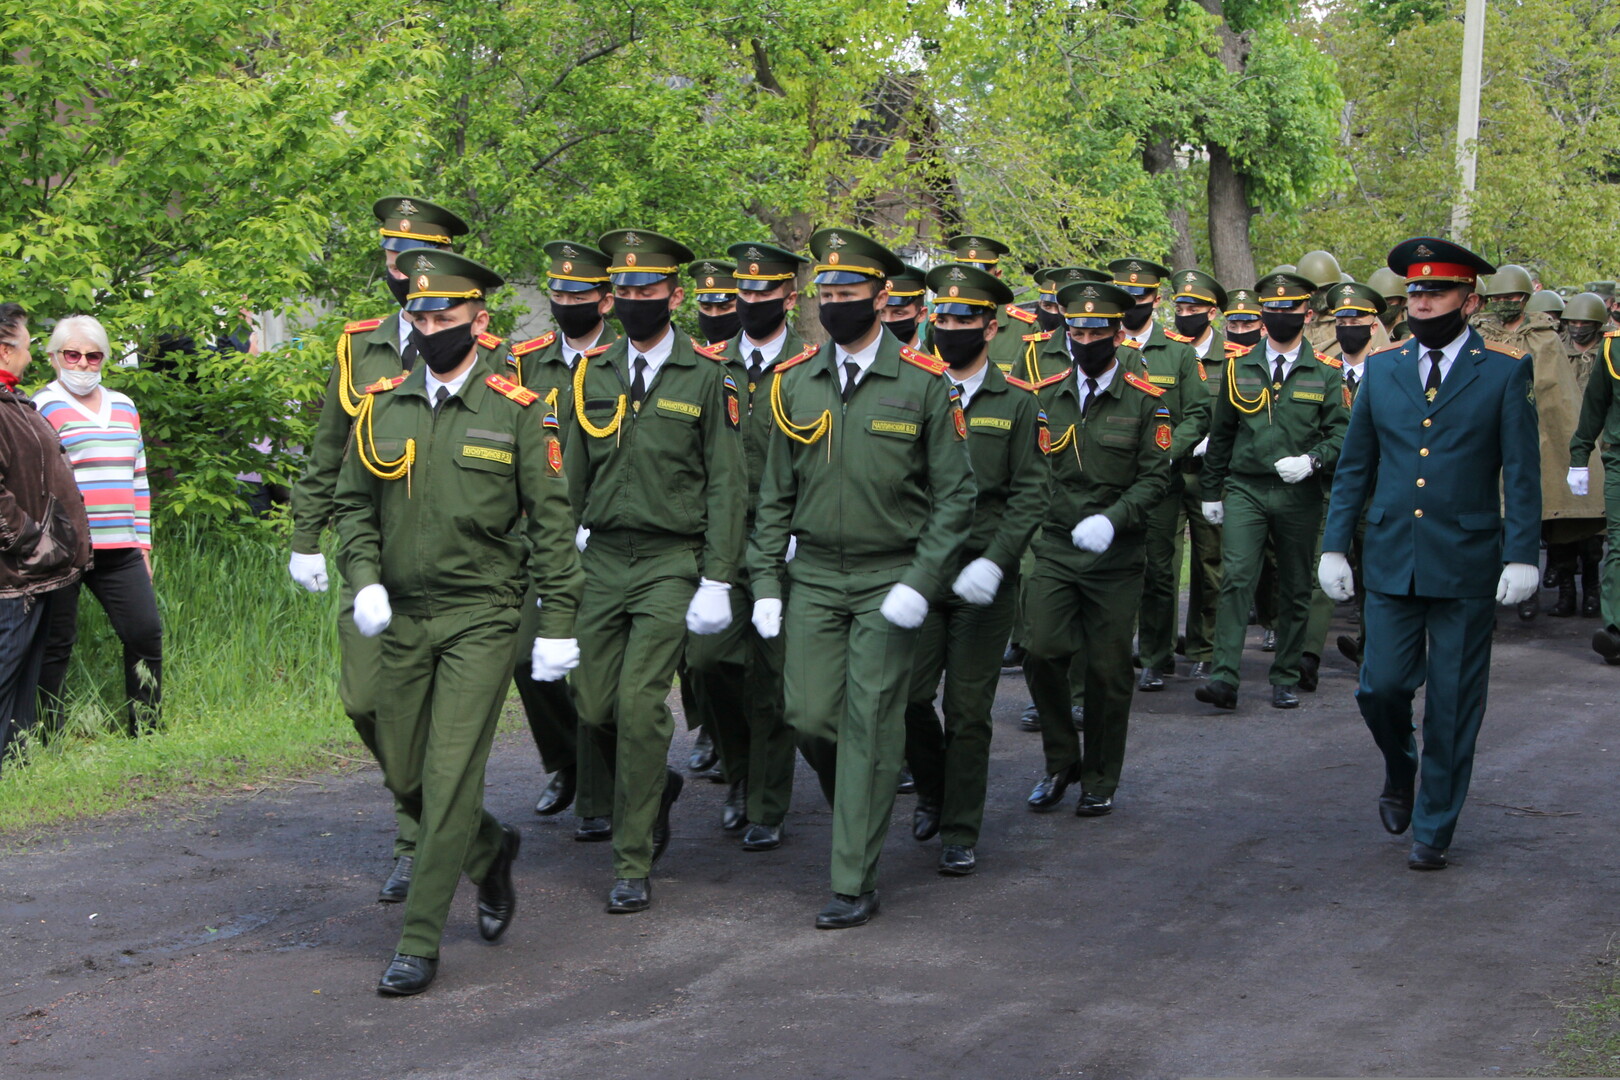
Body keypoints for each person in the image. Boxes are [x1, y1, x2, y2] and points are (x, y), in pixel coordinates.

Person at [334, 250, 582, 994]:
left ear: (479, 321)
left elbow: (550, 522)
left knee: (446, 777)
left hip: (482, 616)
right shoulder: (381, 402)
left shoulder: (515, 408)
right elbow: (353, 505)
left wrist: (558, 623)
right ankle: (488, 847)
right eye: (419, 316)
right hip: (402, 616)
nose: (429, 327)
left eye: (443, 317)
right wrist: (364, 577)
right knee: (403, 768)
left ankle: (418, 940)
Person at [748, 227, 973, 928]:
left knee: (871, 721)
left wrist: (922, 579)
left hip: (888, 578)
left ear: (882, 296)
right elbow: (772, 495)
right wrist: (761, 582)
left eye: (849, 293)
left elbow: (956, 495)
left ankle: (853, 880)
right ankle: (862, 781)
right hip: (812, 575)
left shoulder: (924, 384)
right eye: (827, 294)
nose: (835, 303)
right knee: (810, 716)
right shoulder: (795, 382)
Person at [1319, 237, 1540, 871]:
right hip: (1392, 555)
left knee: (1452, 701)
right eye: (1414, 291)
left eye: (1435, 291)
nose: (1421, 302)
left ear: (1468, 301)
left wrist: (1522, 552)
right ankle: (1400, 765)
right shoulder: (1384, 369)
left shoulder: (1503, 368)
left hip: (1467, 560)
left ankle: (1434, 825)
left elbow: (1522, 471)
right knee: (1379, 688)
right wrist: (1336, 545)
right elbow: (1356, 465)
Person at [288, 195, 472, 903]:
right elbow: (329, 447)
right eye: (391, 255)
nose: (397, 267)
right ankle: (451, 823)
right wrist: (307, 534)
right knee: (367, 703)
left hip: (452, 558)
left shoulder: (483, 348)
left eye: (412, 256)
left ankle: (415, 840)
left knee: (422, 708)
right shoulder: (358, 343)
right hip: (371, 554)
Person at [568, 229, 746, 915]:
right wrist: (564, 555)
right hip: (603, 559)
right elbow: (570, 480)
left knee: (641, 706)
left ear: (676, 295)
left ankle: (632, 857)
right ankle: (655, 786)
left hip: (671, 561)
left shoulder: (708, 379)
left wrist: (718, 576)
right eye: (626, 291)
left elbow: (727, 486)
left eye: (650, 290)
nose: (636, 301)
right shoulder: (593, 373)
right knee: (592, 705)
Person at [902, 263, 1043, 874]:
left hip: (984, 576)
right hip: (921, 570)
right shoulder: (912, 389)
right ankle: (931, 787)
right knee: (906, 697)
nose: (949, 326)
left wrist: (996, 560)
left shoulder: (1017, 402)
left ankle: (960, 827)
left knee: (966, 710)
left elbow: (1031, 493)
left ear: (990, 328)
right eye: (942, 316)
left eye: (963, 319)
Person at [1021, 280, 1172, 814]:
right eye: (1076, 330)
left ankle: (1101, 778)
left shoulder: (1146, 401)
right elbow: (1033, 474)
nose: (1085, 340)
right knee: (1039, 650)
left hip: (1116, 556)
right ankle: (1062, 758)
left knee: (1108, 671)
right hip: (1058, 548)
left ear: (1116, 333)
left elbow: (1155, 480)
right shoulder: (1046, 395)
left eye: (1095, 331)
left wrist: (1113, 520)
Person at [684, 241, 813, 852]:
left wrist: (797, 527)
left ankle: (766, 801)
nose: (751, 301)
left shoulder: (812, 364)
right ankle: (738, 771)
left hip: (786, 543)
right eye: (745, 291)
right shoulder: (709, 364)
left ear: (790, 297)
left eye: (765, 292)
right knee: (707, 662)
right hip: (720, 541)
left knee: (773, 677)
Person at [1196, 271, 1349, 711]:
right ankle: (1224, 676)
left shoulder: (1324, 373)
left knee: (1296, 584)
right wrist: (1211, 492)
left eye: (1290, 309)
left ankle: (1284, 674)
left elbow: (1342, 434)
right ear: (1263, 315)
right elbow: (1221, 434)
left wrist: (1313, 461)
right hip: (1245, 488)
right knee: (1238, 578)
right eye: (1273, 309)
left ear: (1307, 313)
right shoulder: (1236, 367)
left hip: (1299, 493)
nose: (1281, 316)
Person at [506, 240, 618, 826]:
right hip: (542, 538)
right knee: (529, 660)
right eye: (558, 293)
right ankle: (567, 761)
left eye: (578, 294)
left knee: (596, 674)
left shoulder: (628, 362)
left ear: (605, 300)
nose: (566, 302)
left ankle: (604, 798)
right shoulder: (524, 363)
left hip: (608, 536)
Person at [34, 315, 162, 736]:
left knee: (145, 633)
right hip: (65, 549)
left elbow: (138, 477)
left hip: (120, 548)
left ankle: (146, 728)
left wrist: (143, 544)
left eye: (93, 356)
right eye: (73, 354)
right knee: (55, 645)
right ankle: (43, 737)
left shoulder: (124, 406)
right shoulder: (41, 406)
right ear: (55, 358)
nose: (83, 364)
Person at [1108, 257, 1209, 691]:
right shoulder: (1097, 343)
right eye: (1125, 297)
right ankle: (1111, 654)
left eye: (1141, 297)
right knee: (1107, 568)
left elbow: (1199, 413)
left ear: (1155, 300)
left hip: (1159, 480)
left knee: (1158, 569)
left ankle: (1154, 656)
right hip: (1109, 477)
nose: (1133, 305)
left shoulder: (1178, 351)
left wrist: (1165, 452)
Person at [0, 303, 92, 770]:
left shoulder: (13, 402)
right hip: (13, 573)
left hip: (31, 574)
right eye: (27, 345)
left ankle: (14, 770)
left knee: (22, 673)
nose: (31, 355)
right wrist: (32, 541)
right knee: (4, 669)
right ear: (3, 349)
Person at [1473, 264, 1591, 620]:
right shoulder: (1478, 332)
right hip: (1485, 431)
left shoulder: (1544, 336)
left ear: (1524, 299)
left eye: (1511, 298)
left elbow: (1558, 393)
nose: (1505, 303)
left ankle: (1528, 590)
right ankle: (1484, 593)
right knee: (1485, 515)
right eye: (1498, 298)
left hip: (1531, 428)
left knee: (1523, 512)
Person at [1300, 283, 1384, 673]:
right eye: (1342, 320)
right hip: (1330, 484)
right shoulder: (1322, 370)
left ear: (1373, 323)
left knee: (1375, 575)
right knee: (1321, 569)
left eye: (1357, 320)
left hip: (1378, 488)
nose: (1348, 326)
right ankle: (1307, 656)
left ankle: (1373, 653)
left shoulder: (1390, 369)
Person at [1170, 270, 1242, 679]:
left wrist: (1216, 442)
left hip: (1213, 474)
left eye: (1193, 308)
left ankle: (1205, 644)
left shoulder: (1233, 357)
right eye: (1180, 307)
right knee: (1161, 562)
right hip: (1168, 470)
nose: (1185, 314)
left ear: (1212, 312)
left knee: (1211, 562)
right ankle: (1157, 650)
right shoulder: (1161, 352)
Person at [1570, 325, 1620, 666]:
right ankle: (1616, 629)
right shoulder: (1612, 348)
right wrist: (1579, 457)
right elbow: (1595, 404)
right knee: (1619, 544)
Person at [944, 234, 1037, 374]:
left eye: (981, 275)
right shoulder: (940, 324)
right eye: (966, 274)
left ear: (997, 275)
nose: (973, 282)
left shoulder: (1024, 328)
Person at [690, 259, 740, 345]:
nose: (714, 315)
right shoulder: (691, 357)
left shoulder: (757, 357)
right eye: (706, 308)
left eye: (724, 308)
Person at [879, 263, 929, 350]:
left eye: (898, 313)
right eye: (881, 312)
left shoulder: (930, 363)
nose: (887, 320)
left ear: (921, 315)